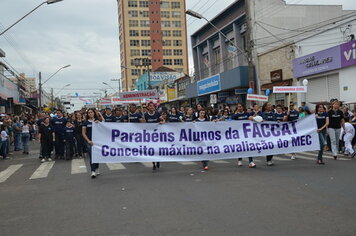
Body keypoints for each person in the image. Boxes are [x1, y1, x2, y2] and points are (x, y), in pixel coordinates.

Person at [231, 103, 256, 168]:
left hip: (247, 134)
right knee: (240, 147)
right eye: (238, 107)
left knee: (249, 147)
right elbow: (231, 124)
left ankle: (251, 162)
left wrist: (252, 118)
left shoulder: (247, 114)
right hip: (239, 134)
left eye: (240, 106)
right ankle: (239, 160)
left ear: (243, 107)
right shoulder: (235, 116)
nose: (239, 108)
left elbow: (252, 119)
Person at [82, 109, 102, 178]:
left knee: (97, 155)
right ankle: (92, 171)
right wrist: (88, 140)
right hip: (89, 141)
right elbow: (83, 133)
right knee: (91, 156)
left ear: (94, 113)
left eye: (91, 112)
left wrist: (99, 121)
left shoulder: (97, 121)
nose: (90, 114)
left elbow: (105, 124)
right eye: (89, 113)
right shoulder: (85, 122)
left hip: (97, 142)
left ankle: (96, 168)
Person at [144, 102, 161, 171]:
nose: (152, 107)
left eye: (153, 106)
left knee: (157, 149)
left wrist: (162, 121)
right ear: (148, 107)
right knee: (151, 150)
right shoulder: (145, 115)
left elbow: (162, 120)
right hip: (149, 136)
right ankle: (153, 163)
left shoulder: (157, 114)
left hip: (157, 135)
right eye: (150, 106)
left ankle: (158, 160)